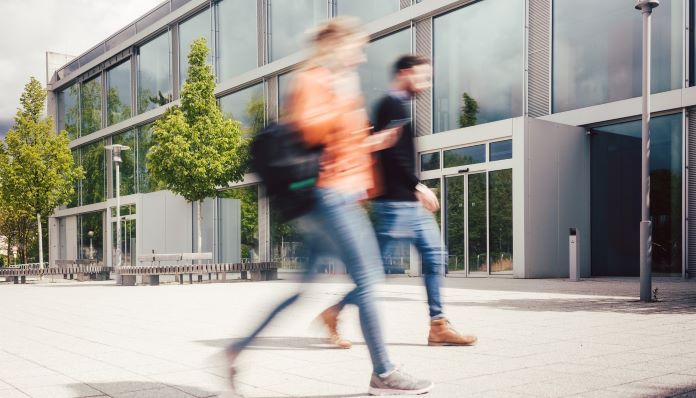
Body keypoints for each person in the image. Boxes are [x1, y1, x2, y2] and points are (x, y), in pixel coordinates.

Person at [226, 19, 434, 396]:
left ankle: (236, 349)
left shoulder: (329, 82)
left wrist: (371, 143)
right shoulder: (316, 79)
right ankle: (384, 373)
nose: (362, 54)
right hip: (330, 195)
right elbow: (310, 130)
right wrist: (343, 101)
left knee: (303, 289)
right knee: (370, 278)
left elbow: (339, 144)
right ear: (337, 45)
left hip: (335, 194)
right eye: (358, 47)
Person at [317, 55, 478, 348]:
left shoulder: (398, 105)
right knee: (375, 273)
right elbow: (391, 154)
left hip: (408, 205)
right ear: (405, 72)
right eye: (422, 76)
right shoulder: (391, 104)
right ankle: (334, 311)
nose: (426, 83)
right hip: (393, 205)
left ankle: (438, 324)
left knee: (435, 257)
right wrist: (417, 185)